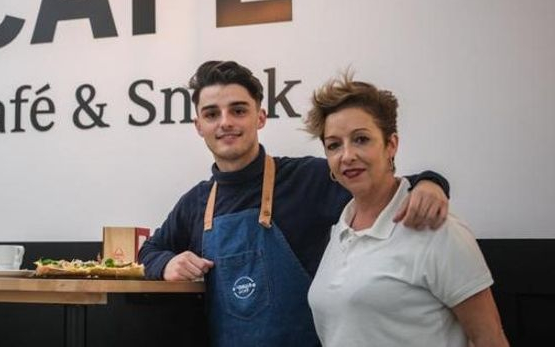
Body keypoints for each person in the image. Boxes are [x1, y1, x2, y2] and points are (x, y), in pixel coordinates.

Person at [138, 60, 451, 347]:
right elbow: (148, 252)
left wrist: (430, 182)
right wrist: (166, 264)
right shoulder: (196, 202)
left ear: (260, 117)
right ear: (198, 126)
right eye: (211, 114)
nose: (225, 122)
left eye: (238, 110)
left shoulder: (307, 178)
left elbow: (383, 186)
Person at [304, 73, 508, 346]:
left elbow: (490, 338)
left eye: (361, 139)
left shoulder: (437, 229)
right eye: (334, 145)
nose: (347, 155)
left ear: (391, 145)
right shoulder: (340, 230)